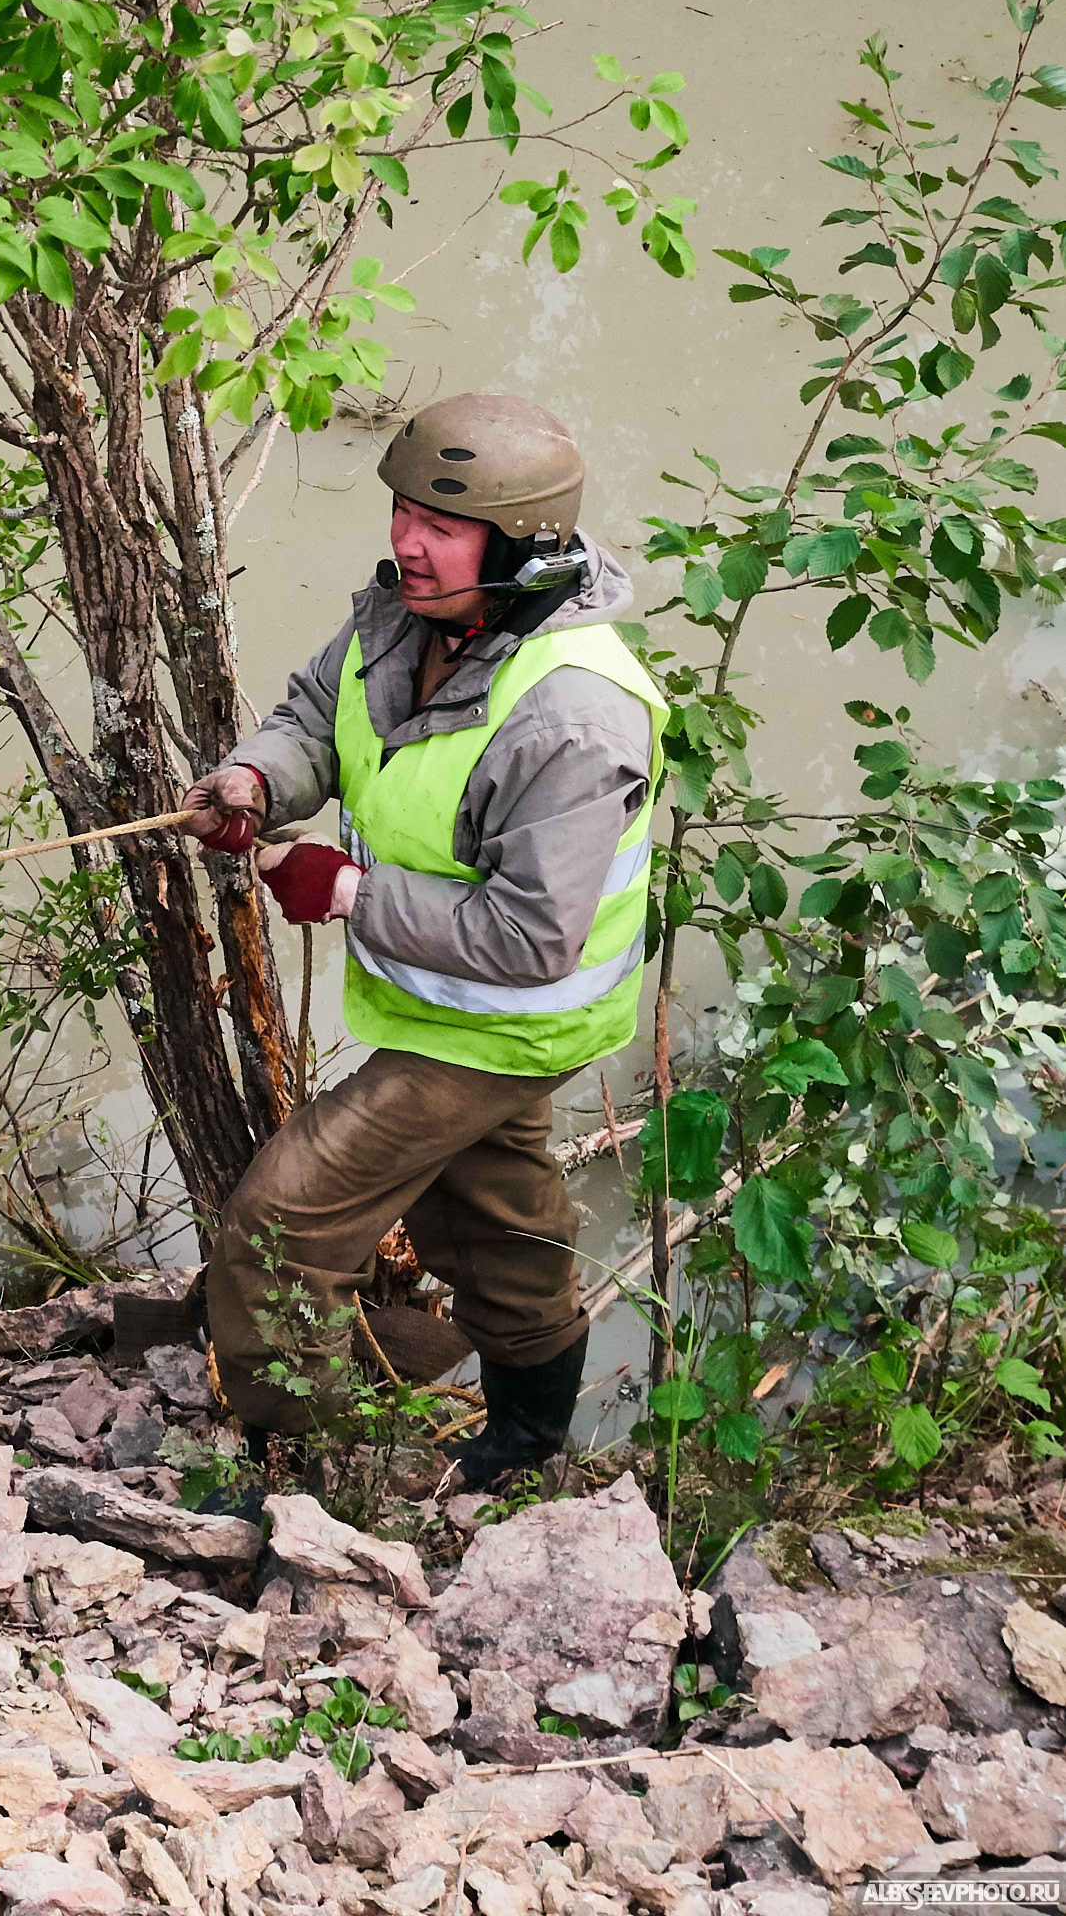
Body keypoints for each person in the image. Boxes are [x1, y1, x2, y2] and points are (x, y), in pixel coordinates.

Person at [183, 390, 665, 1489]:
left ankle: (306, 1465)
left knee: (280, 1222)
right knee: (492, 1225)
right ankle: (525, 1450)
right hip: (437, 997)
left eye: (440, 527)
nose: (406, 541)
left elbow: (528, 934)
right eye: (402, 512)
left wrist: (344, 890)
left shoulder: (575, 714)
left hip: (500, 1020)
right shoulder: (406, 614)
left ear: (521, 546)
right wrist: (257, 780)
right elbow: (316, 716)